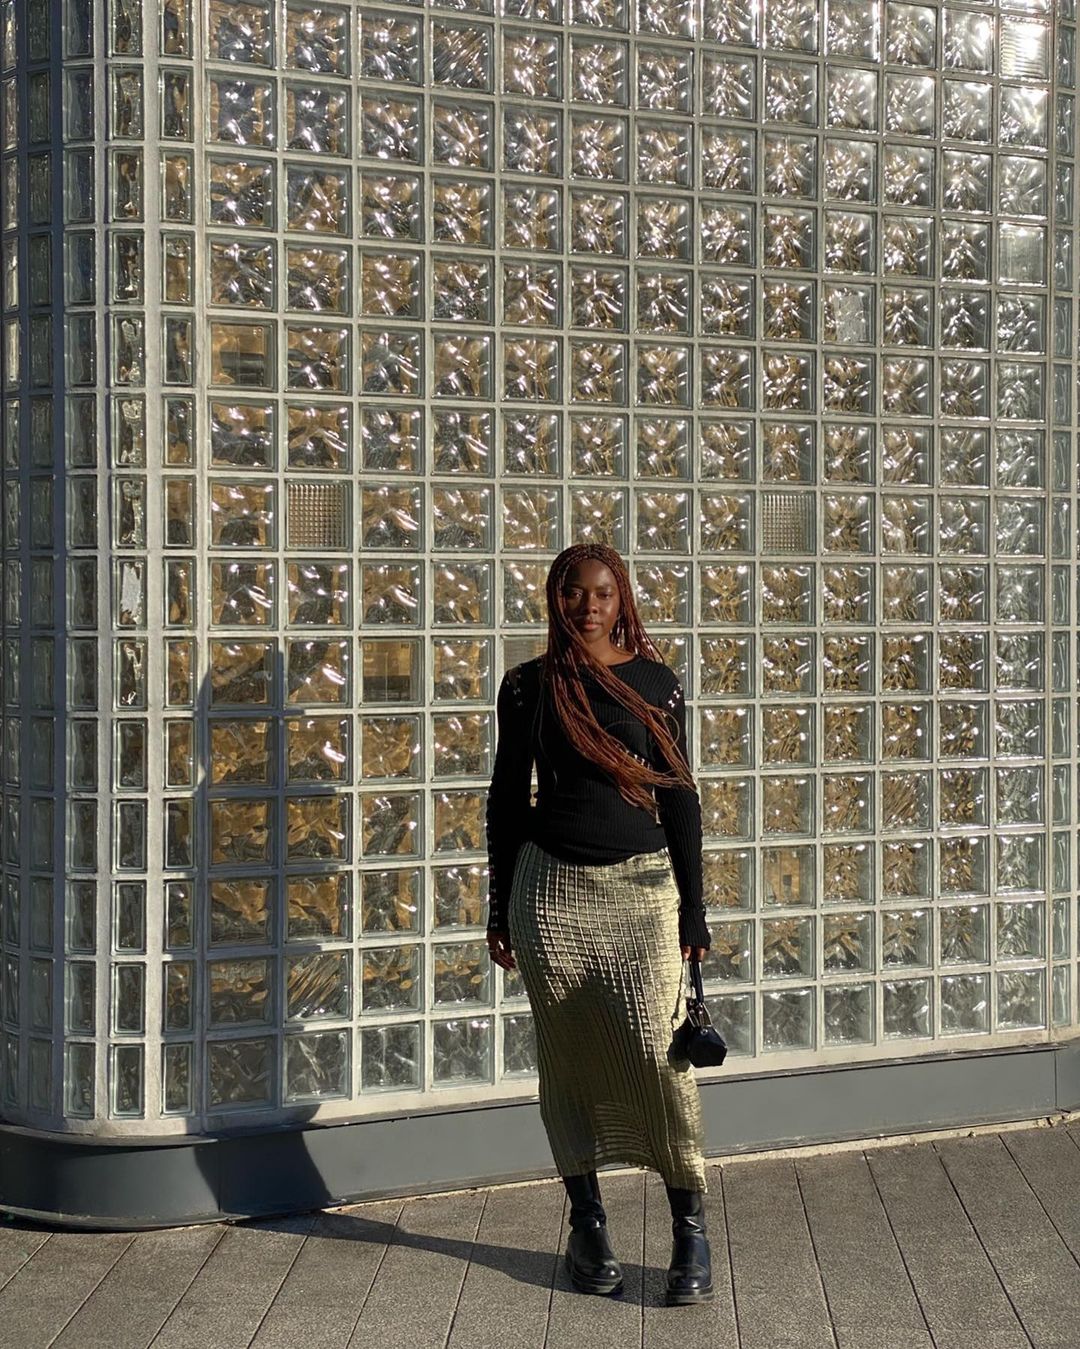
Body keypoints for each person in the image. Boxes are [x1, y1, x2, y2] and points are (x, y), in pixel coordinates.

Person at [485, 542, 713, 1306]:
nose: (588, 605)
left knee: (661, 1057)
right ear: (556, 599)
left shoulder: (655, 682)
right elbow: (507, 798)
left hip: (643, 893)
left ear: (623, 601)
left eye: (603, 592)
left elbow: (680, 795)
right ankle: (587, 1225)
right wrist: (498, 904)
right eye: (574, 592)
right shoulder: (527, 686)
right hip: (549, 895)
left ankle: (689, 1230)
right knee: (569, 1063)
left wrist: (694, 907)